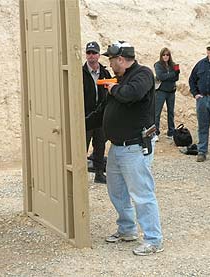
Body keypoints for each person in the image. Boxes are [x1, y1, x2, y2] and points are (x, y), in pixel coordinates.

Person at [87, 41, 163, 256]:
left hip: (135, 147)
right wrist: (78, 124)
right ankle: (127, 229)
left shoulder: (143, 74)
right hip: (118, 147)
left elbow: (132, 94)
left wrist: (113, 88)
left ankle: (153, 239)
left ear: (120, 59)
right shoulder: (117, 81)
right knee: (117, 191)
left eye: (111, 60)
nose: (109, 64)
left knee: (142, 194)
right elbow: (102, 112)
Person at [83, 41, 111, 184]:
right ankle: (80, 176)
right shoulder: (80, 73)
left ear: (99, 55)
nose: (91, 56)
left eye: (94, 53)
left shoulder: (105, 73)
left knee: (100, 145)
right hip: (86, 117)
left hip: (100, 117)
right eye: (89, 53)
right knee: (82, 147)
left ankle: (99, 173)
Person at [154, 47, 180, 140]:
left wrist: (170, 76)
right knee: (157, 112)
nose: (165, 56)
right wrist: (173, 74)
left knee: (171, 112)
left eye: (167, 55)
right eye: (164, 55)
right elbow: (160, 76)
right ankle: (155, 132)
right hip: (160, 91)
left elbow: (177, 78)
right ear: (161, 55)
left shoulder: (174, 64)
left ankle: (171, 132)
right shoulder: (157, 65)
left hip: (171, 92)